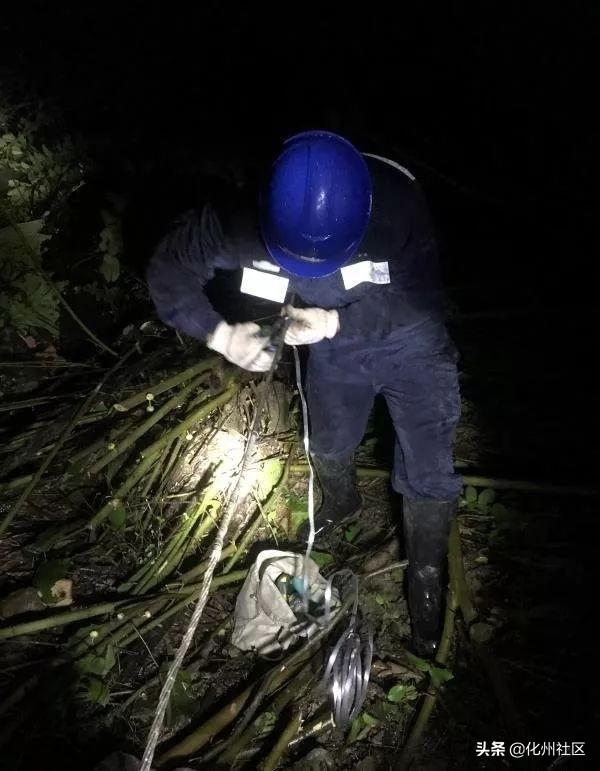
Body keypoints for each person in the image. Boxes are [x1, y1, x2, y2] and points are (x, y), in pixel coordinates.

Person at [146, 131, 462, 657]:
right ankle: (341, 501)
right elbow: (169, 268)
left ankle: (426, 582)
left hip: (412, 347)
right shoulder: (243, 221)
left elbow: (423, 309)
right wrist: (223, 334)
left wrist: (333, 320)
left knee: (428, 470)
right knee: (328, 442)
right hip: (332, 348)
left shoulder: (397, 209)